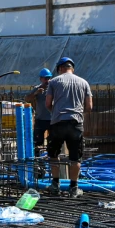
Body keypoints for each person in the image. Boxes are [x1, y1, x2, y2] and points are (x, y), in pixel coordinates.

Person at [45, 58, 92, 197]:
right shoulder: (83, 82)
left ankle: (55, 185)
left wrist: (55, 112)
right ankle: (73, 188)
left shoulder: (54, 82)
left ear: (60, 68)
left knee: (54, 155)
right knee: (75, 158)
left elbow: (47, 103)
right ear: (72, 68)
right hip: (75, 124)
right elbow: (89, 106)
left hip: (58, 123)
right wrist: (77, 112)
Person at [26, 68, 53, 155]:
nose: (47, 81)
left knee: (53, 142)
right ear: (41, 79)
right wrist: (36, 93)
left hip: (52, 119)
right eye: (45, 78)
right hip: (40, 119)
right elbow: (27, 99)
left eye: (49, 78)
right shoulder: (37, 89)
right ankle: (37, 159)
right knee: (37, 142)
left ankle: (51, 157)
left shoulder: (54, 88)